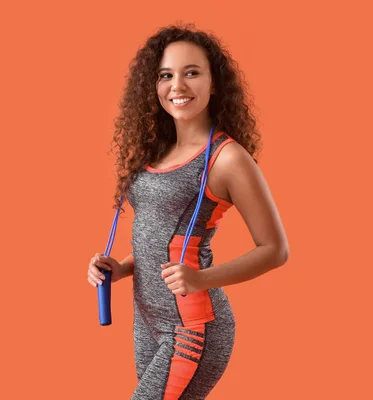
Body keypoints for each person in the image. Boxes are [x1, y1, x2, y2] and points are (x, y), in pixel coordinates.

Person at [86, 23, 289, 400]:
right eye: (166, 75)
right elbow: (162, 239)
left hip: (192, 327)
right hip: (147, 321)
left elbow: (275, 250)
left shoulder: (227, 158)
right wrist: (122, 268)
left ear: (214, 84)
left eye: (191, 73)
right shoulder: (154, 152)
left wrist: (203, 279)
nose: (177, 86)